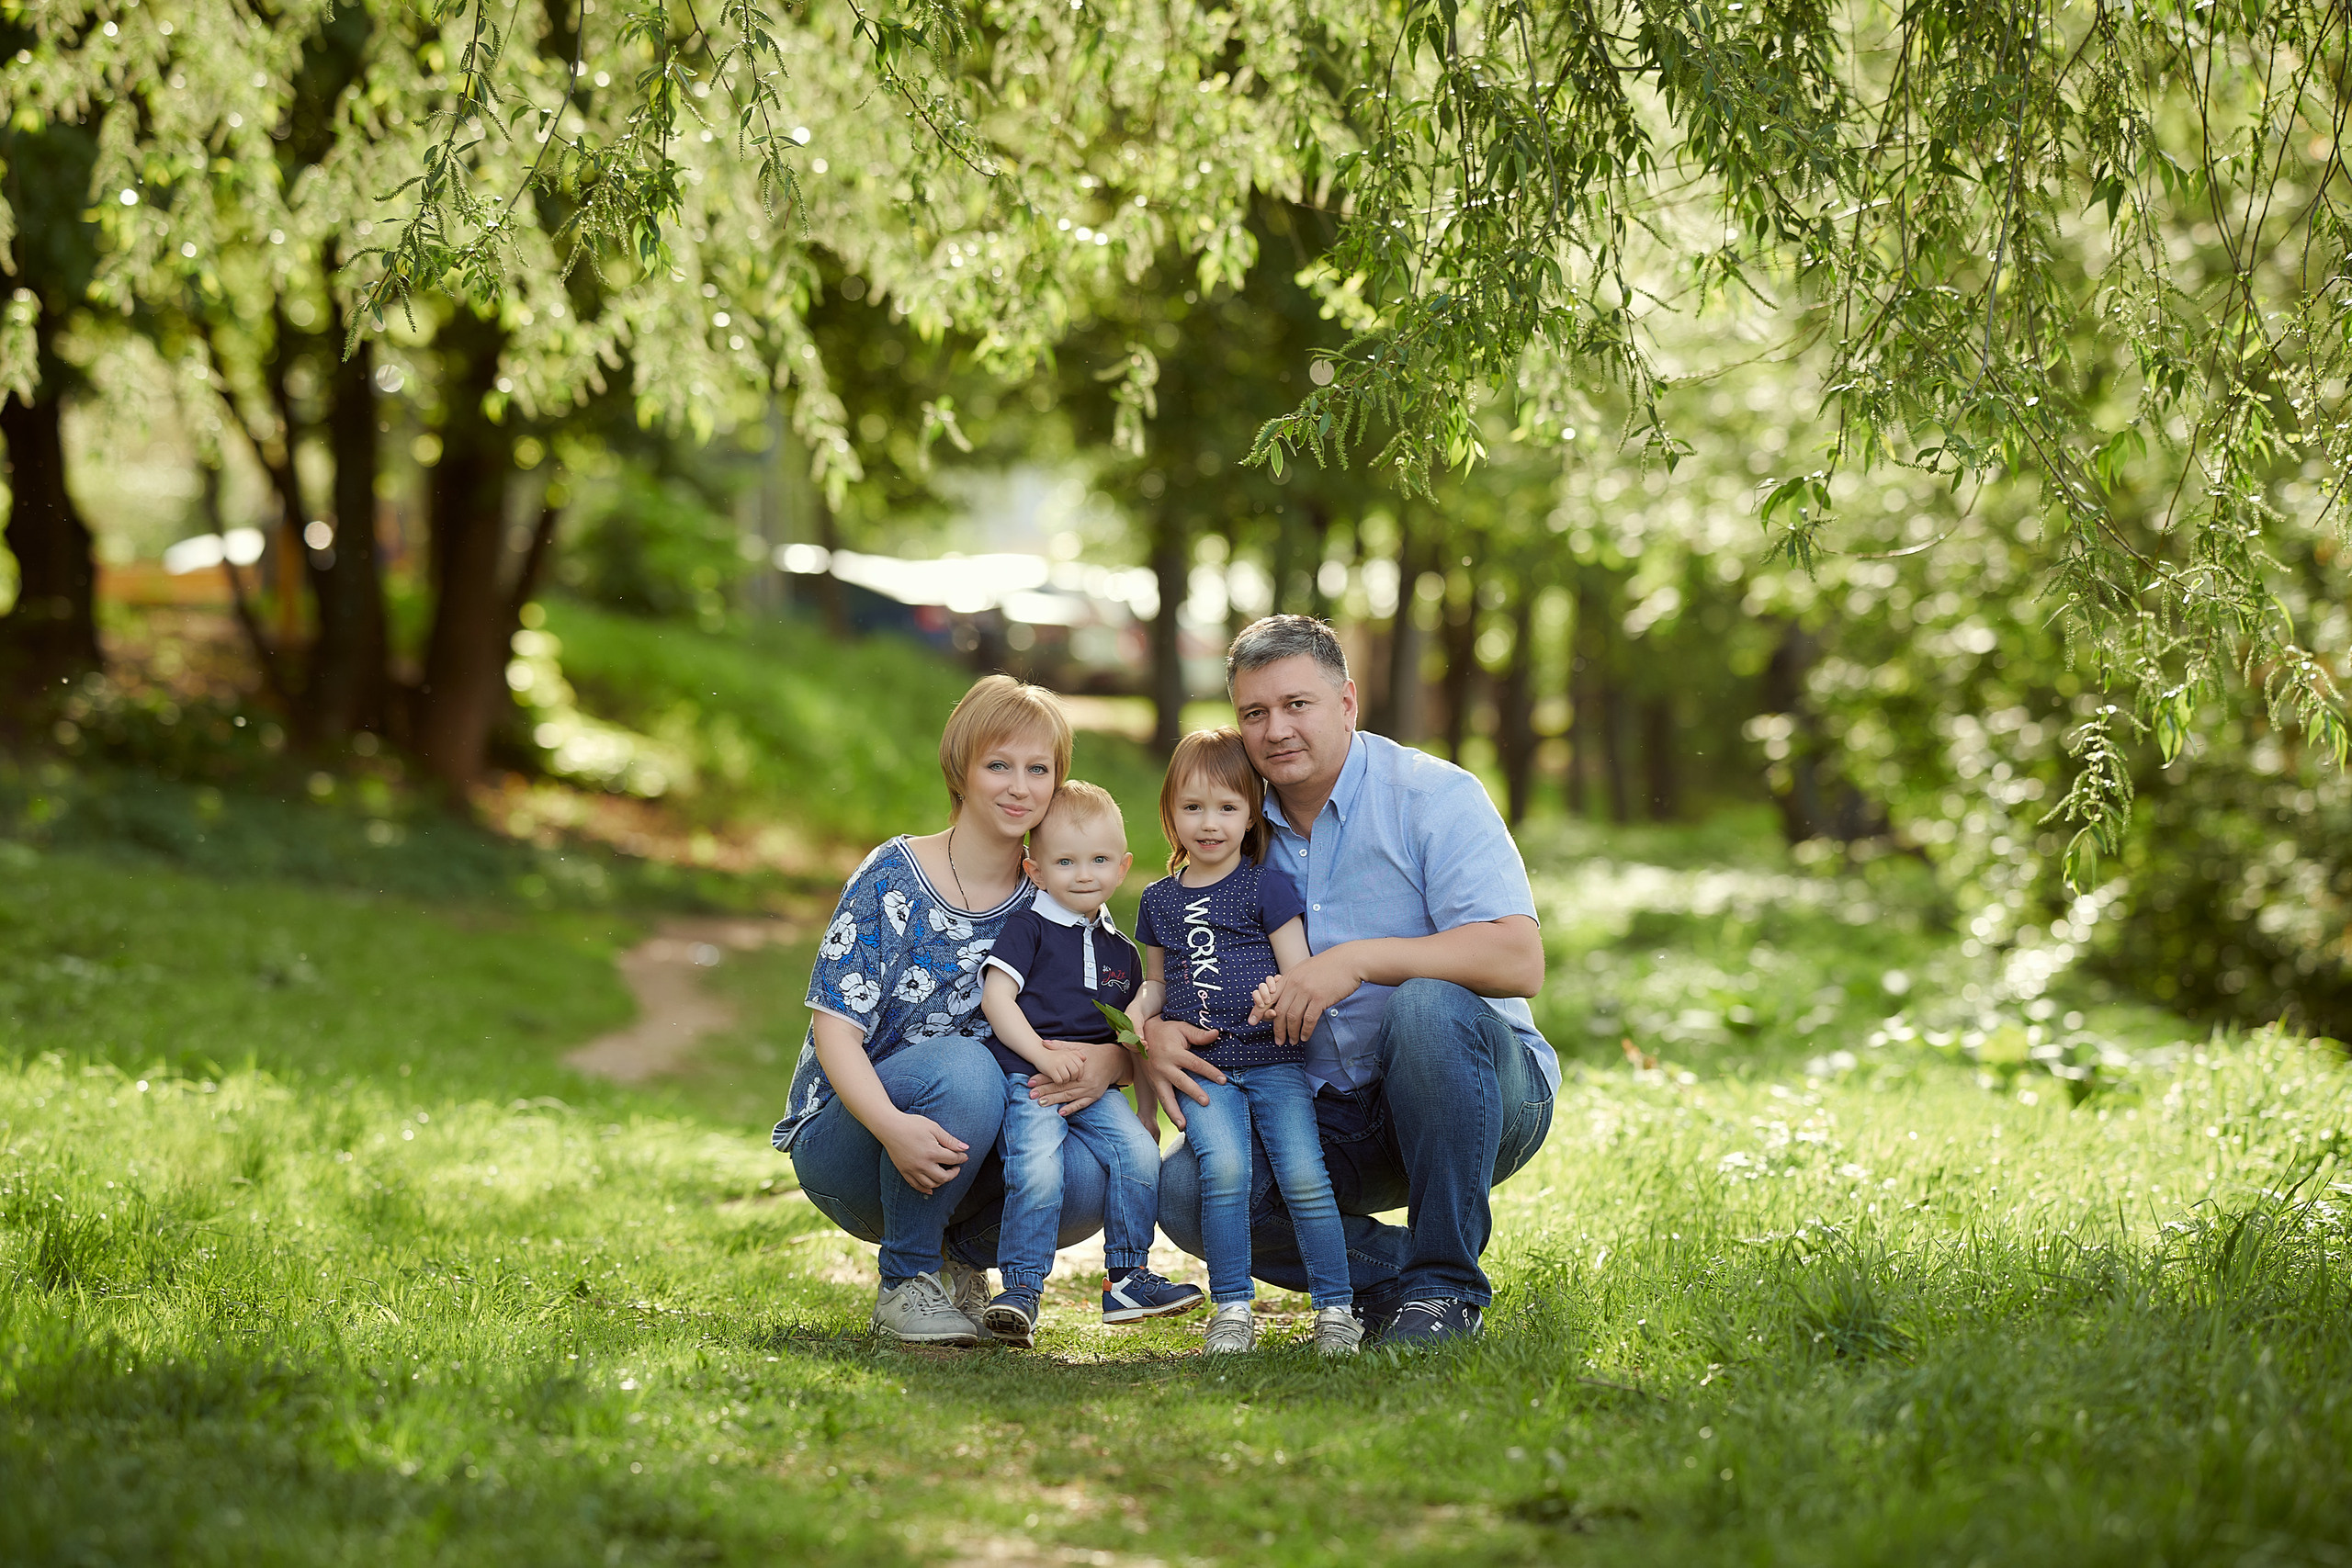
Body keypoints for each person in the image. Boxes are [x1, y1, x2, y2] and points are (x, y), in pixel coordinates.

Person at [1144, 616, 1555, 1348]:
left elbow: (1519, 959)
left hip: (1477, 1090)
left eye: (1297, 703)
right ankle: (1397, 1278)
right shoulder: (1234, 825)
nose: (1276, 729)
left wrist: (1359, 959)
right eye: (1255, 712)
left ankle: (1445, 1290)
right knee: (1183, 1193)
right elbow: (1180, 955)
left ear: (1347, 703)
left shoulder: (1432, 796)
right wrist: (1157, 1027)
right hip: (1326, 1112)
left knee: (1426, 1005)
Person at [772, 675, 1133, 1346]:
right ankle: (905, 1279)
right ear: (961, 770)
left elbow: (1113, 1025)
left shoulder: (1060, 886)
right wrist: (894, 1126)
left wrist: (1109, 1062)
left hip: (977, 1154)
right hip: (858, 1141)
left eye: (1038, 769)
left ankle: (960, 1260)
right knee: (968, 1068)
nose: (1018, 786)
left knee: (1094, 1170)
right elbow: (834, 1035)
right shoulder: (892, 875)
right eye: (998, 764)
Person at [1134, 728, 1360, 1357]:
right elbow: (1155, 982)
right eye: (1193, 807)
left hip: (1275, 1060)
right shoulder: (1157, 902)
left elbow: (1300, 970)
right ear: (1170, 813)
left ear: (1252, 812)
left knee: (1302, 1175)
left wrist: (1276, 994)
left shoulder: (1266, 885)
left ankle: (1336, 1308)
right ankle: (1232, 1307)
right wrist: (1140, 1017)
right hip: (1207, 1071)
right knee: (1224, 1172)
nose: (1210, 823)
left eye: (1227, 807)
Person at [975, 781, 1204, 1348]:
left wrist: (1146, 1111)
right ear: (1036, 869)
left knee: (1135, 1152)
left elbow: (1132, 1037)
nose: (1084, 874)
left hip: (1096, 1088)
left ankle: (1127, 1278)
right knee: (1037, 1167)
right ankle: (1021, 1291)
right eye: (1066, 861)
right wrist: (1040, 1057)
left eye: (1099, 860)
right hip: (1029, 1078)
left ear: (1122, 867)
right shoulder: (1028, 929)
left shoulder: (1122, 951)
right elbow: (996, 999)